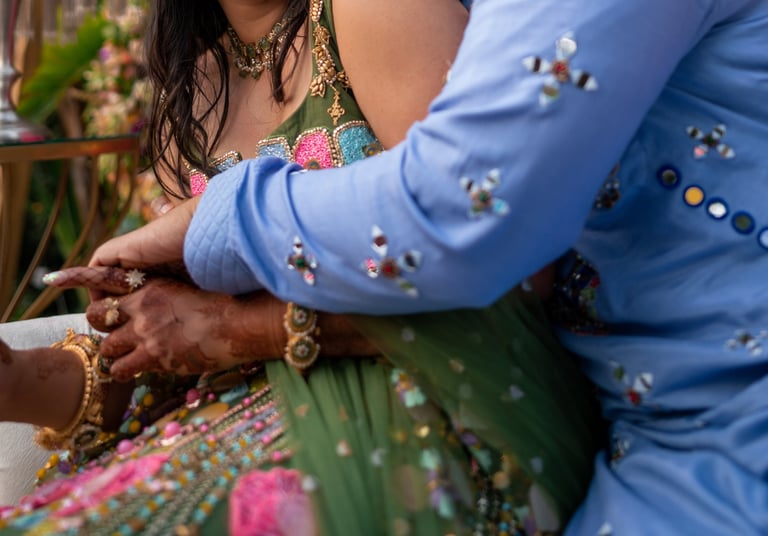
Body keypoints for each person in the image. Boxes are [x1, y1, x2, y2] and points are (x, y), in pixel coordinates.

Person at [75, 0, 768, 534]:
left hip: (678, 434)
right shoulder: (194, 93)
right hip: (648, 439)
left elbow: (473, 216)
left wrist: (224, 242)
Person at [0, 0, 603, 533]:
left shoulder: (371, 12)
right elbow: (183, 344)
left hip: (444, 405)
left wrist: (253, 328)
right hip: (241, 414)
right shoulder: (188, 99)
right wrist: (25, 377)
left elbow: (509, 266)